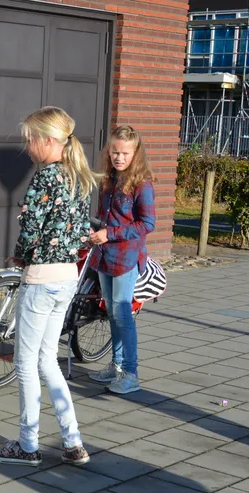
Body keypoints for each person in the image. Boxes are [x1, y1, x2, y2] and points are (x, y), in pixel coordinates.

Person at [0, 106, 94, 467]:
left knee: (25, 363)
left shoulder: (45, 177)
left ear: (48, 140)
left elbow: (31, 228)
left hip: (41, 278)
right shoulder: (77, 176)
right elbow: (80, 230)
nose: (27, 147)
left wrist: (20, 255)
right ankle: (72, 441)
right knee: (48, 360)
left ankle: (27, 444)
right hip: (67, 277)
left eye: (30, 140)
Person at [88, 126, 156, 394]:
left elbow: (147, 223)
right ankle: (116, 366)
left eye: (125, 153)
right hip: (105, 255)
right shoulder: (109, 179)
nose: (119, 157)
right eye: (115, 152)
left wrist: (111, 233)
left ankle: (130, 373)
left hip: (126, 257)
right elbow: (104, 215)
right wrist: (95, 230)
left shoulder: (142, 184)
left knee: (122, 313)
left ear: (135, 153)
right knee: (112, 312)